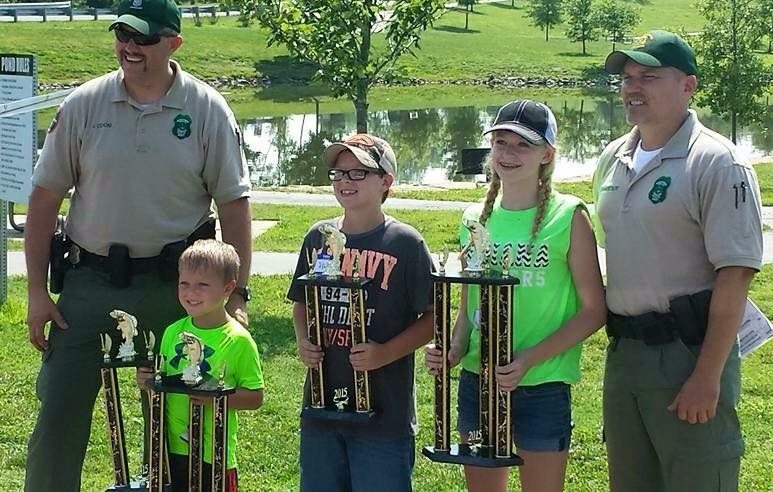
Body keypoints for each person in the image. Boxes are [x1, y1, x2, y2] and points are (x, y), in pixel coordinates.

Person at [23, 0, 253, 491]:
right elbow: (44, 202)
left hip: (176, 291)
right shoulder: (85, 104)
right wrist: (37, 293)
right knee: (59, 416)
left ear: (174, 43)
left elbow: (234, 207)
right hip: (87, 284)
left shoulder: (208, 109)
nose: (129, 46)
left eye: (142, 37)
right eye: (122, 33)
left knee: (183, 421)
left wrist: (235, 295)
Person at [593, 31, 763, 492]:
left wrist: (707, 376)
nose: (632, 87)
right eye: (627, 77)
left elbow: (735, 275)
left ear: (688, 86)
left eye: (649, 76)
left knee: (698, 479)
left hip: (688, 352)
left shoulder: (717, 162)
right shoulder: (613, 157)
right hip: (625, 355)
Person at [425, 100, 606, 492]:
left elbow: (593, 311)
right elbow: (468, 308)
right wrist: (453, 349)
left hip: (542, 385)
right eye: (500, 142)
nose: (508, 154)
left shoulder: (569, 215)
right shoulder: (474, 219)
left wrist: (527, 360)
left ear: (548, 154)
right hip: (479, 382)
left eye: (523, 145)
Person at [286, 133, 434, 492]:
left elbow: (432, 319)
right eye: (338, 173)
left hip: (384, 415)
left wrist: (385, 353)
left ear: (386, 181)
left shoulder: (405, 243)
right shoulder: (318, 237)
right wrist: (304, 339)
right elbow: (302, 302)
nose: (344, 182)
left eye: (358, 173)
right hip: (322, 408)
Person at [137, 239, 264, 490]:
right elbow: (163, 384)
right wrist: (148, 382)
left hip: (213, 453)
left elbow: (255, 397)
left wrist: (215, 398)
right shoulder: (172, 332)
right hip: (169, 448)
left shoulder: (238, 341)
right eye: (184, 283)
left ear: (228, 288)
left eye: (202, 285)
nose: (190, 292)